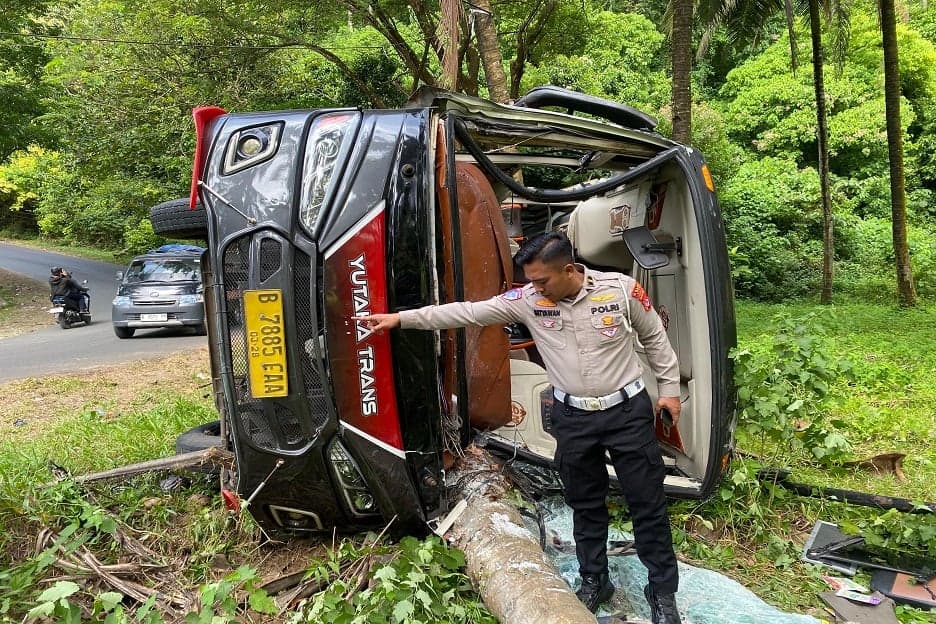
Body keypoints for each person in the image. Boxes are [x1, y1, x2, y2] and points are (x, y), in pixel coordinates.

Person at [355, 231, 683, 622]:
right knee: (585, 502)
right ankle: (594, 578)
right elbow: (469, 312)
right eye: (531, 281)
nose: (535, 288)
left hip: (626, 413)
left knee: (647, 503)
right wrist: (401, 319)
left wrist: (669, 389)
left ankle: (662, 592)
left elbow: (655, 338)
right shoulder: (529, 301)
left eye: (542, 280)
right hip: (573, 418)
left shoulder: (620, 290)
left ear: (569, 269)